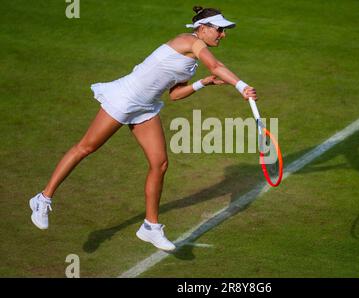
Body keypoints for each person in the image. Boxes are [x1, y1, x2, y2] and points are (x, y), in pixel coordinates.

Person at [29, 6, 257, 251]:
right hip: (124, 99)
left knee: (160, 164)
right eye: (219, 30)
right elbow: (215, 64)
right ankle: (42, 199)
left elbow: (176, 95)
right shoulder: (188, 41)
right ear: (203, 29)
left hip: (146, 107)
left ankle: (150, 226)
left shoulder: (191, 62)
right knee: (86, 147)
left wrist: (203, 83)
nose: (223, 35)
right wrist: (241, 85)